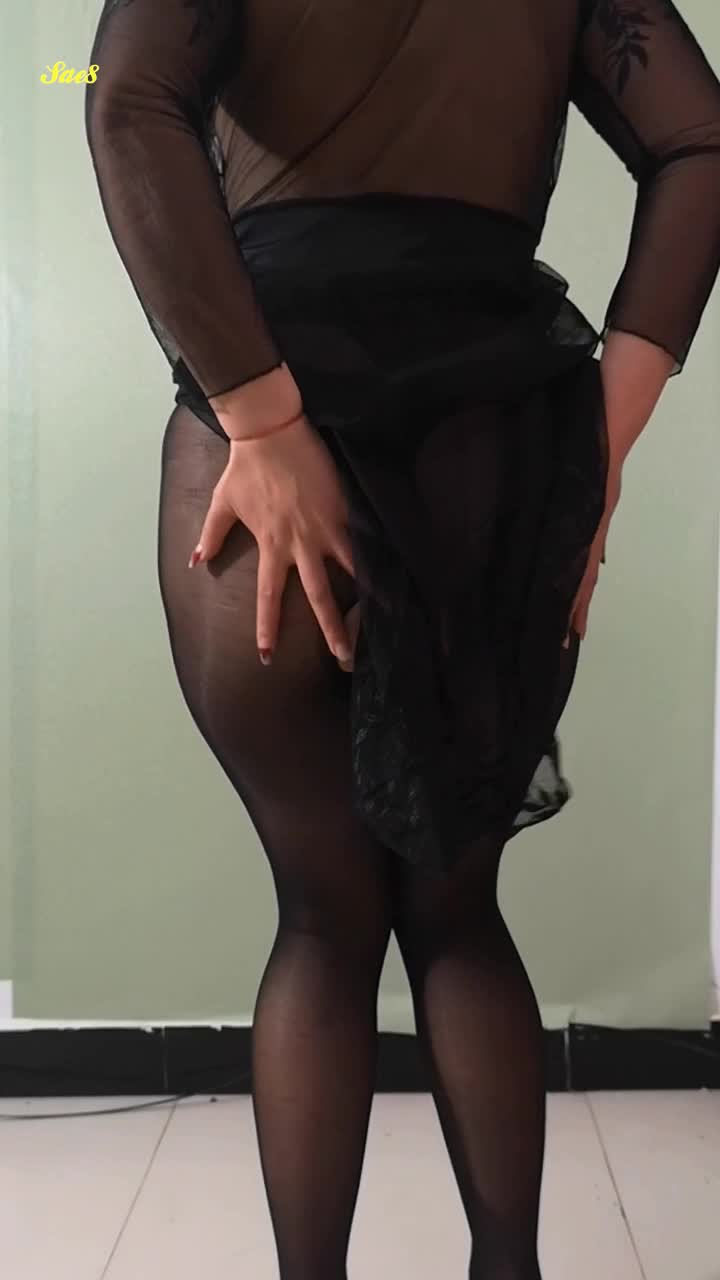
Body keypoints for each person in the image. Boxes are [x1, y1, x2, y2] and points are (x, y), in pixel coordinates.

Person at [84, 2, 720, 1276]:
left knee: (323, 918)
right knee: (458, 907)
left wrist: (263, 424)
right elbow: (700, 141)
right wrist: (605, 431)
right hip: (496, 439)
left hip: (271, 409)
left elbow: (125, 96)